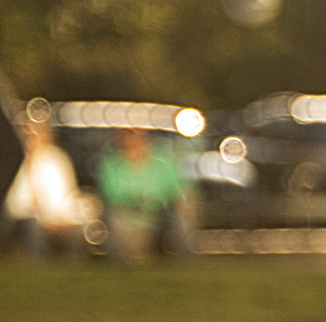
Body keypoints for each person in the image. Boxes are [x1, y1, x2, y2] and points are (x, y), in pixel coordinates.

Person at [95, 126, 191, 262]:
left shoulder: (162, 161)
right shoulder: (111, 164)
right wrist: (140, 201)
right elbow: (111, 195)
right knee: (117, 219)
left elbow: (178, 191)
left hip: (161, 215)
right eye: (126, 134)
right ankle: (120, 263)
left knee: (183, 215)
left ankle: (183, 264)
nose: (131, 138)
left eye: (135, 134)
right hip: (128, 215)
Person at [5, 108, 85, 256]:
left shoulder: (59, 160)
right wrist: (44, 219)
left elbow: (68, 196)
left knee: (79, 231)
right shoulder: (23, 164)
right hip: (34, 222)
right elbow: (14, 205)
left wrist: (60, 219)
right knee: (33, 228)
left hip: (60, 221)